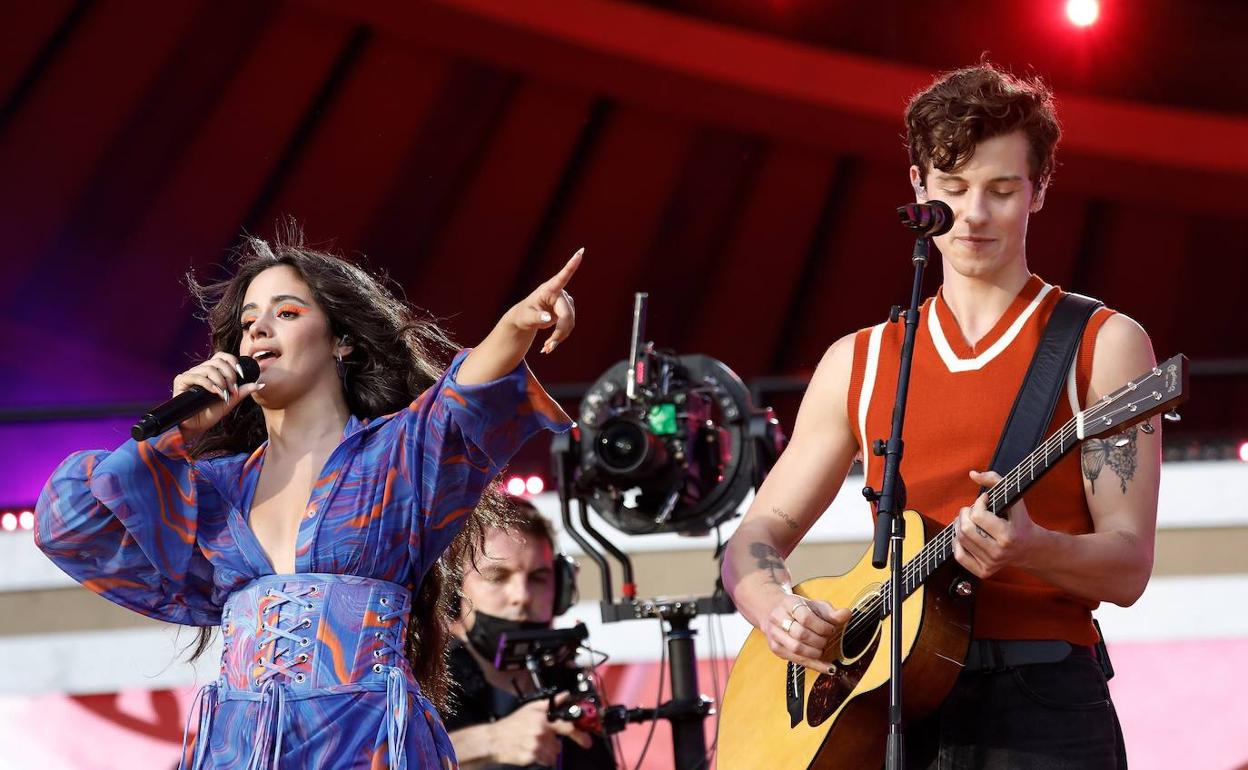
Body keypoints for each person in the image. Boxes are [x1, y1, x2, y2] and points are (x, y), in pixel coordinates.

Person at [722, 63, 1160, 769]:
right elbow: (756, 536)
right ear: (919, 187)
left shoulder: (1103, 344)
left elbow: (1128, 568)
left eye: (1002, 190)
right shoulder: (860, 360)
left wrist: (1032, 548)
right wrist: (778, 609)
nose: (975, 214)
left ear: (1041, 188)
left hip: (1041, 707)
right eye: (953, 189)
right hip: (880, 707)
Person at [35, 225, 581, 769]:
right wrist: (179, 431)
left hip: (363, 742)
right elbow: (68, 524)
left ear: (341, 340)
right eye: (248, 322)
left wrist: (516, 325)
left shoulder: (395, 455)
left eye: (287, 312)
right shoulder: (215, 490)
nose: (258, 329)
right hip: (240, 750)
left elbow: (467, 394)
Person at [444, 498, 616, 770]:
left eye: (538, 578)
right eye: (497, 576)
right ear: (453, 591)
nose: (522, 596)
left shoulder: (569, 682)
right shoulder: (419, 679)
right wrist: (491, 742)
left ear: (561, 590)